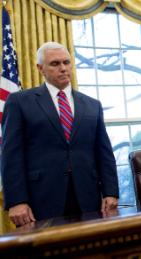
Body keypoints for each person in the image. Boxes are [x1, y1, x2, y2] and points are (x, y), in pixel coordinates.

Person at [1, 42, 119, 226]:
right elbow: (11, 155)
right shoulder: (19, 101)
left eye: (66, 62)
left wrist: (111, 192)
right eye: (55, 64)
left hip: (88, 197)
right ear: (41, 69)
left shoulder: (92, 104)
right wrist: (17, 201)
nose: (63, 68)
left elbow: (104, 152)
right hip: (40, 199)